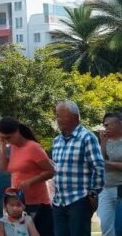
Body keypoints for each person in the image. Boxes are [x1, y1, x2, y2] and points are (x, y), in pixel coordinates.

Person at [50, 100, 104, 236]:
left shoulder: (87, 138)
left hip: (79, 200)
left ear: (75, 117)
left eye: (60, 116)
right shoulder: (57, 141)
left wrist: (93, 193)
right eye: (57, 116)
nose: (58, 120)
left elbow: (98, 167)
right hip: (59, 201)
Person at [0, 117, 54, 236]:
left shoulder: (33, 147)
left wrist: (29, 182)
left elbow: (51, 171)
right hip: (19, 204)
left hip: (37, 204)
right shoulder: (11, 148)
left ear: (17, 131)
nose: (7, 141)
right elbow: (3, 168)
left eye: (8, 137)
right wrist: (1, 145)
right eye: (3, 137)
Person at [100, 112, 122, 236]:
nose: (106, 128)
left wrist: (111, 165)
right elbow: (101, 160)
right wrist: (103, 142)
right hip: (106, 188)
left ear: (119, 124)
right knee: (106, 227)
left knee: (119, 228)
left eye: (108, 125)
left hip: (121, 189)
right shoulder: (106, 139)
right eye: (104, 125)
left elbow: (106, 163)